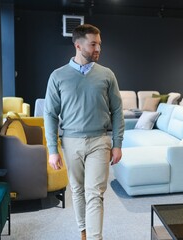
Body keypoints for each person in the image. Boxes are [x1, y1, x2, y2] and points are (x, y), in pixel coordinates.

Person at [44, 24, 124, 240]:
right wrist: (53, 150)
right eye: (93, 44)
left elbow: (117, 111)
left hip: (100, 140)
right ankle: (83, 232)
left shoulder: (107, 75)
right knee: (77, 191)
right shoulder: (58, 76)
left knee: (95, 194)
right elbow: (50, 114)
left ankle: (95, 238)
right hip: (71, 142)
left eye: (99, 44)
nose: (98, 48)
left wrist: (117, 143)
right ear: (78, 45)